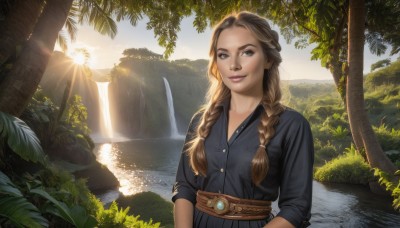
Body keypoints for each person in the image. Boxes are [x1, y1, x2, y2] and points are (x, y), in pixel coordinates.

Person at [172, 11, 314, 228]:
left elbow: (297, 207)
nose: (234, 65)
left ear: (267, 59)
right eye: (223, 54)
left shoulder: (293, 125)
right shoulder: (200, 120)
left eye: (246, 52)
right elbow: (184, 187)